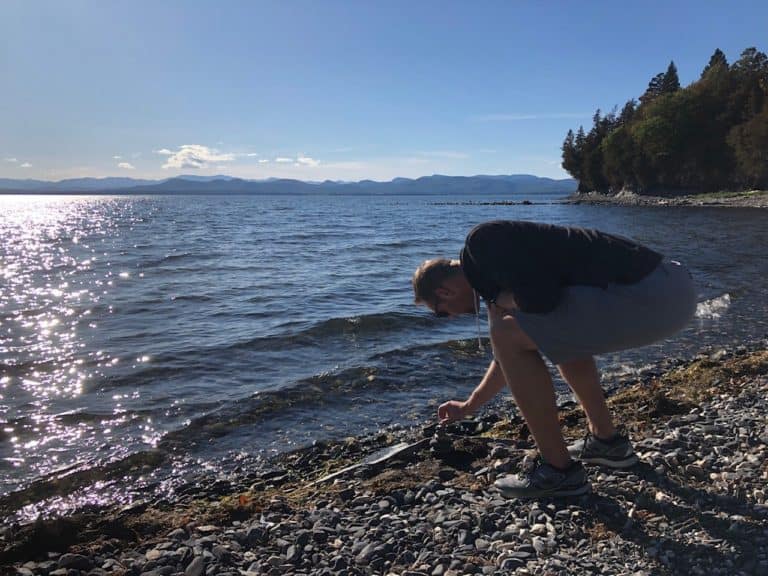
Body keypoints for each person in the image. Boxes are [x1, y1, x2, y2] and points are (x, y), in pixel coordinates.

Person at [412, 220, 696, 498]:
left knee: (521, 327)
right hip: (667, 292)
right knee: (550, 332)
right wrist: (469, 405)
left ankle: (559, 473)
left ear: (444, 292)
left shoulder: (482, 243)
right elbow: (506, 358)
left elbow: (540, 300)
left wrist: (503, 303)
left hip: (653, 292)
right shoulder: (490, 278)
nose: (449, 317)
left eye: (440, 312)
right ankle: (607, 442)